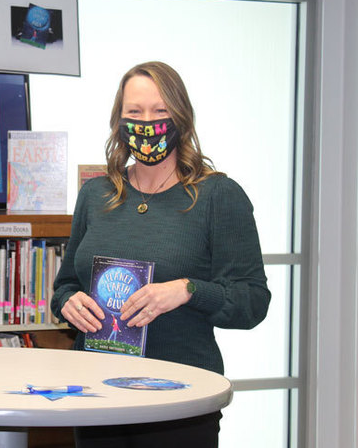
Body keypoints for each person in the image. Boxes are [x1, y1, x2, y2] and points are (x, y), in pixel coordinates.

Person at [50, 62, 270, 448]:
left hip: (180, 399)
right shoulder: (95, 194)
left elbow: (252, 302)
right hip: (97, 395)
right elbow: (66, 285)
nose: (146, 122)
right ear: (119, 121)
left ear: (181, 118)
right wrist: (68, 302)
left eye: (160, 111)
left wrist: (188, 290)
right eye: (134, 112)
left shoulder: (218, 196)